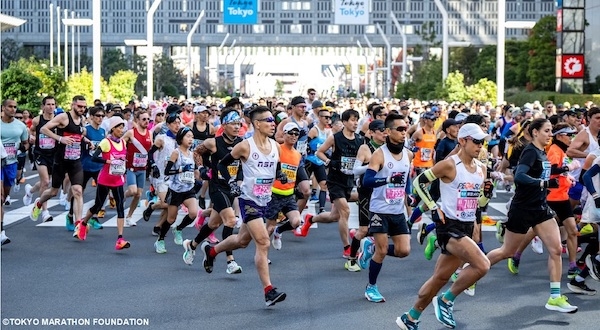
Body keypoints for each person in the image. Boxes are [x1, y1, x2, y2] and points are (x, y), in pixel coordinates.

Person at [397, 123, 490, 330]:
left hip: (466, 225)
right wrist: (432, 208)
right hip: (449, 226)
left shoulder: (481, 169)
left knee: (439, 278)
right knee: (483, 264)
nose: (480, 146)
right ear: (463, 141)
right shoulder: (449, 165)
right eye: (476, 141)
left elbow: (480, 203)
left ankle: (410, 317)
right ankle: (446, 301)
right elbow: (419, 182)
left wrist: (487, 193)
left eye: (482, 142)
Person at [486, 118, 578, 314]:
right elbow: (519, 176)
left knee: (555, 249)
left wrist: (562, 171)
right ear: (535, 132)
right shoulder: (529, 150)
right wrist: (543, 184)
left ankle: (554, 297)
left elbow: (543, 172)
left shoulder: (542, 152)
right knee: (507, 252)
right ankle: (474, 268)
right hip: (523, 208)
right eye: (546, 130)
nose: (549, 134)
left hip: (540, 208)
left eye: (551, 130)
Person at [200, 106, 287, 306]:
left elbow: (277, 166)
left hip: (265, 199)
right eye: (268, 121)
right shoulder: (245, 146)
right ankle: (269, 291)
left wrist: (280, 175)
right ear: (257, 124)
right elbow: (222, 164)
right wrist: (231, 181)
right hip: (248, 200)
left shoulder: (276, 146)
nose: (273, 124)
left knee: (241, 241)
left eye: (273, 120)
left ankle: (212, 251)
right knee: (264, 242)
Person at [184, 108, 244, 274]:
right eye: (233, 123)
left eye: (239, 123)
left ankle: (192, 245)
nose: (237, 127)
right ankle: (230, 261)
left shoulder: (241, 142)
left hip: (231, 187)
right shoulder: (213, 142)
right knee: (231, 221)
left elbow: (241, 164)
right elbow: (197, 152)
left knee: (214, 223)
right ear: (224, 125)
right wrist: (202, 168)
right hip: (217, 186)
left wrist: (239, 182)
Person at [360, 114, 413, 302]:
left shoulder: (408, 154)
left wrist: (410, 194)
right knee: (382, 252)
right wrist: (388, 179)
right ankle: (371, 287)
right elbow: (367, 181)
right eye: (399, 129)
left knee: (403, 251)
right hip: (379, 209)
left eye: (405, 129)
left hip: (397, 210)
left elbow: (407, 178)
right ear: (388, 132)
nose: (403, 133)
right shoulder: (379, 154)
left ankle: (371, 247)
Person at [299, 109, 363, 259]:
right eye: (352, 120)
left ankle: (311, 219)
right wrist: (329, 162)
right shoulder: (335, 138)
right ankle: (347, 247)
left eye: (357, 120)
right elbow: (319, 152)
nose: (355, 123)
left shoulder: (360, 140)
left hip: (349, 181)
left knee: (334, 216)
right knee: (345, 211)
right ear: (345, 122)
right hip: (335, 181)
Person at [30, 96, 91, 231]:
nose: (82, 109)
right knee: (53, 191)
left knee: (78, 191)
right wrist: (60, 138)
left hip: (75, 160)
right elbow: (44, 129)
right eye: (79, 106)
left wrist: (86, 140)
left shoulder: (82, 119)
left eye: (84, 107)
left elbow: (77, 135)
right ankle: (39, 203)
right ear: (72, 105)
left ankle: (78, 225)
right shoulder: (63, 117)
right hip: (60, 160)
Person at [78, 117, 130, 249]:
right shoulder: (106, 142)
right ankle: (83, 224)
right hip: (105, 179)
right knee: (97, 206)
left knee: (120, 207)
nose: (121, 130)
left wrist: (123, 170)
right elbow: (94, 157)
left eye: (123, 127)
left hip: (118, 180)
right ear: (113, 128)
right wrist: (108, 162)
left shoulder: (123, 143)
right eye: (119, 127)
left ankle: (120, 239)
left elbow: (123, 159)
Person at [345, 119, 387, 272]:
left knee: (381, 228)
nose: (384, 133)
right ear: (371, 132)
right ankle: (351, 259)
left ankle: (368, 248)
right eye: (381, 130)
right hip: (366, 191)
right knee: (363, 229)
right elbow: (355, 170)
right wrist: (371, 166)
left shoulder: (387, 148)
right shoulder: (365, 148)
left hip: (382, 192)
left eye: (386, 130)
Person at [156, 127, 199, 252]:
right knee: (170, 219)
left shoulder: (192, 154)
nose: (190, 139)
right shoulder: (176, 152)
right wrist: (181, 170)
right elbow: (167, 171)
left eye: (192, 137)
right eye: (188, 137)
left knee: (193, 213)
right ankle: (160, 239)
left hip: (188, 188)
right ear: (180, 138)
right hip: (175, 189)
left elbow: (194, 171)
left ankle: (179, 229)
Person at [265, 122, 302, 251]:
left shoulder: (297, 154)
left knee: (296, 222)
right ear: (284, 134)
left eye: (296, 134)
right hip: (274, 194)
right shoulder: (277, 149)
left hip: (289, 195)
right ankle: (263, 254)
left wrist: (296, 188)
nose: (294, 136)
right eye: (291, 133)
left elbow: (294, 173)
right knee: (268, 227)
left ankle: (278, 231)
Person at [23, 96, 57, 223]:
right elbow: (31, 131)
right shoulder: (37, 120)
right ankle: (45, 212)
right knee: (46, 181)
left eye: (53, 104)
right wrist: (32, 137)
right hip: (40, 153)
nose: (51, 107)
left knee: (46, 182)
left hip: (53, 154)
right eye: (48, 104)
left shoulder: (57, 120)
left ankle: (30, 191)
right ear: (43, 106)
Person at [1, 99, 29, 243]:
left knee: (5, 196)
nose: (13, 109)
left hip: (11, 163)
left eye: (15, 107)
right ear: (3, 108)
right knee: (0, 198)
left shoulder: (20, 126)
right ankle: (1, 233)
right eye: (10, 107)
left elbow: (26, 144)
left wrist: (21, 149)